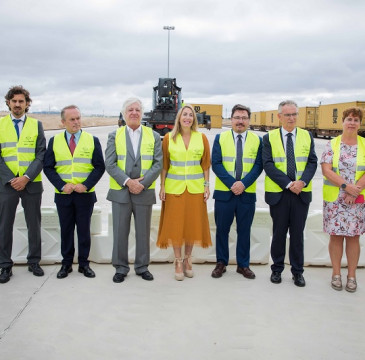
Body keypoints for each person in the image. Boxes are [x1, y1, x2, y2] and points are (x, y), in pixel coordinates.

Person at [43, 105, 105, 279]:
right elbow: (48, 167)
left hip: (85, 195)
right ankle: (66, 264)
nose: (76, 122)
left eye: (78, 118)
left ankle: (84, 264)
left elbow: (99, 167)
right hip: (64, 196)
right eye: (72, 119)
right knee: (66, 230)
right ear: (63, 122)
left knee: (84, 231)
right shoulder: (54, 141)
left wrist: (85, 185)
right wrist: (62, 185)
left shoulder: (92, 140)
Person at [105, 98, 162, 283]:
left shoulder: (152, 135)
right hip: (121, 192)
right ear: (124, 113)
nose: (134, 113)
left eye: (138, 109)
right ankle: (120, 268)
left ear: (142, 113)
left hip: (144, 192)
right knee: (120, 232)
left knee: (143, 232)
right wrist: (129, 182)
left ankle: (142, 266)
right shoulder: (115, 135)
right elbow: (110, 164)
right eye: (130, 110)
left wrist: (142, 184)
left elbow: (158, 163)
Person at [263, 100, 317, 287]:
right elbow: (268, 164)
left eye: (294, 114)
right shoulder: (268, 137)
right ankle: (277, 269)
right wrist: (288, 184)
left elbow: (312, 162)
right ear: (279, 117)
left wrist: (302, 182)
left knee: (297, 234)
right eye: (287, 115)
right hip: (279, 193)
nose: (291, 118)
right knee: (278, 233)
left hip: (301, 193)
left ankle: (297, 272)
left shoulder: (307, 135)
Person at [157, 104, 212, 281]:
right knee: (176, 226)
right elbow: (164, 165)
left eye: (190, 115)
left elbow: (205, 165)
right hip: (175, 189)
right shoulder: (168, 138)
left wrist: (206, 185)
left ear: (194, 119)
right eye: (184, 114)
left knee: (191, 225)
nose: (187, 117)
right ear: (179, 118)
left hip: (195, 189)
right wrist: (162, 186)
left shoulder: (201, 138)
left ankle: (188, 259)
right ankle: (178, 261)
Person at [0, 86, 46, 284]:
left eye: (21, 101)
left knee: (33, 224)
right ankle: (4, 265)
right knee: (4, 226)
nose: (17, 104)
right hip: (7, 184)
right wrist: (12, 179)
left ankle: (34, 261)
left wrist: (26, 177)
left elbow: (41, 154)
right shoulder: (0, 125)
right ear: (8, 103)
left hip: (31, 183)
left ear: (27, 104)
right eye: (14, 101)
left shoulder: (37, 125)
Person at [211, 104, 263, 279]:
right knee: (222, 230)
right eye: (237, 118)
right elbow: (216, 164)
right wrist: (233, 184)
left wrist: (243, 184)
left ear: (249, 120)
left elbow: (258, 165)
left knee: (244, 230)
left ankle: (243, 265)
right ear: (231, 119)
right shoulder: (220, 138)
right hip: (224, 193)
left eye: (244, 118)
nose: (240, 121)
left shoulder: (257, 140)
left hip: (246, 194)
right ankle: (221, 263)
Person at [321, 107, 365, 292]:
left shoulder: (364, 144)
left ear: (360, 123)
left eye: (356, 120)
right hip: (335, 200)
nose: (352, 122)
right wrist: (346, 187)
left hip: (357, 199)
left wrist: (355, 191)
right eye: (349, 119)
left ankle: (352, 276)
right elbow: (326, 169)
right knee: (336, 236)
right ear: (343, 122)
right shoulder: (332, 144)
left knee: (353, 237)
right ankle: (336, 274)